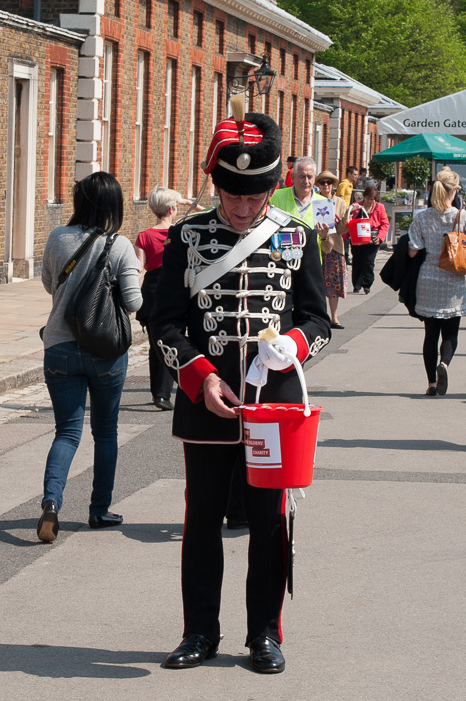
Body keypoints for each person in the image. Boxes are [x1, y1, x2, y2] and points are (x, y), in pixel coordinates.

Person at [151, 110, 331, 675]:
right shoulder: (186, 237)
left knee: (269, 521)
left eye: (255, 197)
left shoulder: (297, 237)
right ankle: (200, 630)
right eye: (233, 194)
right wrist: (200, 375)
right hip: (206, 399)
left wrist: (295, 346)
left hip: (273, 406)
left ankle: (264, 634)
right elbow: (162, 322)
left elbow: (320, 320)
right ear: (216, 184)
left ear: (272, 188)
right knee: (201, 519)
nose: (244, 207)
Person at [36, 172, 143, 542]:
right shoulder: (121, 246)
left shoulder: (56, 238)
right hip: (105, 353)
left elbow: (51, 285)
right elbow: (133, 302)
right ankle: (99, 510)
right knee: (106, 432)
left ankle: (51, 502)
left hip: (59, 347)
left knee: (66, 432)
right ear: (113, 205)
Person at [408, 169, 466, 395]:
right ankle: (444, 364)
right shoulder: (461, 216)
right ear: (454, 191)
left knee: (430, 334)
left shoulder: (422, 216)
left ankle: (431, 384)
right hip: (453, 278)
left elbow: (412, 251)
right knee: (450, 333)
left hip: (428, 278)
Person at [136, 187, 182, 410]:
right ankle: (167, 392)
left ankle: (160, 395)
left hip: (151, 292)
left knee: (156, 345)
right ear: (172, 209)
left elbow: (137, 271)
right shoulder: (181, 233)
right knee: (174, 341)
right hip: (175, 290)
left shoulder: (144, 236)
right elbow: (211, 211)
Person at [314, 171, 349, 327]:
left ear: (333, 185)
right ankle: (320, 316)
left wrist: (345, 219)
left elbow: (342, 230)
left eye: (329, 182)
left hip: (334, 247)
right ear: (318, 185)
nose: (326, 185)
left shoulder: (340, 203)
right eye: (322, 182)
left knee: (334, 285)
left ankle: (334, 317)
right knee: (316, 283)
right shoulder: (313, 201)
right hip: (316, 246)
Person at [346, 179, 389, 294]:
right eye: (367, 198)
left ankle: (367, 283)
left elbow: (385, 223)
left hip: (372, 238)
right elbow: (348, 220)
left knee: (369, 262)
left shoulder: (379, 207)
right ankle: (357, 284)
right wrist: (350, 211)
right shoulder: (356, 206)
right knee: (357, 261)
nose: (369, 201)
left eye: (372, 199)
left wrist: (380, 237)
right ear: (364, 197)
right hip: (357, 238)